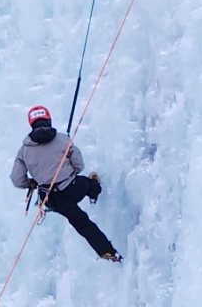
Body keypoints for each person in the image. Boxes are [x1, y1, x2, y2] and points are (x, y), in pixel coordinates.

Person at [11, 107, 121, 263]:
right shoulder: (62, 139)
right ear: (49, 120)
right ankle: (94, 193)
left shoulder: (24, 151)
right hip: (73, 188)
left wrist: (32, 183)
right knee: (89, 184)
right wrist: (68, 170)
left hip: (53, 200)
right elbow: (79, 165)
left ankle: (108, 253)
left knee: (82, 223)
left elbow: (17, 180)